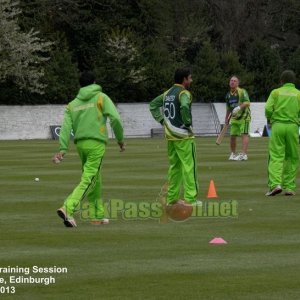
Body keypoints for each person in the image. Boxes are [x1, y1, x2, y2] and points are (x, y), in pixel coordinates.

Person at [53, 71, 125, 227]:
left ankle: (97, 216)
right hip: (96, 143)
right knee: (89, 179)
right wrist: (120, 140)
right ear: (94, 82)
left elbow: (65, 128)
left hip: (80, 145)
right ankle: (68, 207)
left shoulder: (72, 104)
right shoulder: (101, 97)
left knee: (95, 178)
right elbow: (116, 119)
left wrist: (63, 149)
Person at [149, 68, 198, 205]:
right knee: (189, 167)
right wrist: (187, 123)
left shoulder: (167, 93)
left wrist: (162, 121)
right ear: (184, 80)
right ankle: (190, 198)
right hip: (184, 137)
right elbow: (184, 106)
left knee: (174, 168)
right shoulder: (184, 93)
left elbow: (153, 105)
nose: (191, 80)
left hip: (170, 136)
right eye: (190, 78)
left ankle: (172, 199)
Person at [265, 70, 300, 196]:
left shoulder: (276, 92)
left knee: (276, 156)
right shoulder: (298, 94)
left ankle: (275, 184)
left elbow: (268, 108)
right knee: (292, 157)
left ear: (282, 81)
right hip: (293, 127)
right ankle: (289, 187)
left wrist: (270, 118)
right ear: (293, 81)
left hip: (278, 126)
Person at [225, 75, 251, 161]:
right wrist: (226, 119)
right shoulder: (228, 95)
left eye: (234, 81)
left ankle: (244, 154)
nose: (232, 82)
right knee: (232, 136)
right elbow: (228, 108)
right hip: (234, 118)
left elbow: (247, 102)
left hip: (244, 117)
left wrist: (239, 107)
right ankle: (233, 154)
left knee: (244, 134)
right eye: (231, 80)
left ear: (238, 83)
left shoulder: (242, 91)